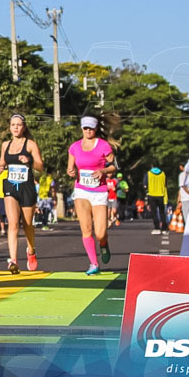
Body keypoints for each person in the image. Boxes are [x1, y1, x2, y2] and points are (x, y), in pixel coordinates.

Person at [67, 115, 117, 276]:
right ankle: (93, 263)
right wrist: (71, 171)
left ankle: (104, 244)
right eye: (85, 128)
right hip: (81, 190)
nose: (88, 131)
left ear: (96, 129)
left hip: (99, 191)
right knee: (86, 229)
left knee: (100, 232)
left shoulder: (103, 146)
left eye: (91, 128)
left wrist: (103, 170)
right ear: (81, 128)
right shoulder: (74, 147)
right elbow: (70, 168)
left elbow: (113, 167)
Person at [0, 114, 43, 273]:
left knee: (27, 225)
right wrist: (0, 168)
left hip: (27, 187)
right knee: (13, 224)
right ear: (9, 127)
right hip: (10, 186)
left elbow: (40, 167)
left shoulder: (30, 144)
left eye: (19, 124)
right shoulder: (5, 145)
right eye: (13, 124)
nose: (16, 127)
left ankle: (31, 251)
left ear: (24, 127)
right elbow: (2, 161)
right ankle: (13, 260)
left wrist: (28, 161)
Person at [144, 166, 168, 235]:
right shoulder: (163, 173)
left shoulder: (148, 174)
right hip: (161, 195)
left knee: (154, 213)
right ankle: (164, 228)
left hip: (152, 195)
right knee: (162, 212)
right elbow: (165, 184)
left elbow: (145, 185)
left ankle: (157, 228)